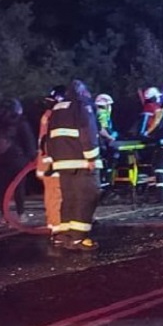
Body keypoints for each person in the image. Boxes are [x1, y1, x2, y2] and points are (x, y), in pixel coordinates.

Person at [42, 80, 102, 251]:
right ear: (82, 92)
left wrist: (53, 159)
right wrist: (92, 157)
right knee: (87, 197)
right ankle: (79, 238)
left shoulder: (57, 109)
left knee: (69, 198)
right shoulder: (82, 106)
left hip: (61, 163)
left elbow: (48, 137)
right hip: (81, 161)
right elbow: (87, 132)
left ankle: (64, 235)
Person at [0, 99, 36, 218]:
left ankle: (4, 215)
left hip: (1, 159)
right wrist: (32, 157)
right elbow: (28, 141)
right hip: (18, 160)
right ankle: (21, 213)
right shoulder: (21, 122)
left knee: (2, 188)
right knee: (19, 187)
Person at [36, 85, 67, 242]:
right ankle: (57, 229)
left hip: (49, 163)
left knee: (55, 195)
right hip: (52, 164)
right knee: (55, 196)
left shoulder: (48, 115)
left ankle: (57, 226)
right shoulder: (54, 116)